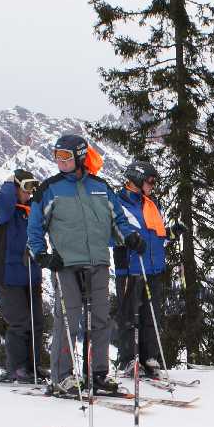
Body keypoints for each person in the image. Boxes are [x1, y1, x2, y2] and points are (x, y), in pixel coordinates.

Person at [27, 134, 143, 397]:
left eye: (65, 156)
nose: (60, 161)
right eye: (57, 156)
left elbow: (118, 222)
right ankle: (62, 376)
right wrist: (42, 255)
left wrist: (130, 237)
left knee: (100, 319)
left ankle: (97, 374)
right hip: (65, 264)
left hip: (98, 262)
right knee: (68, 319)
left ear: (80, 157)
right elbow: (34, 227)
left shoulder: (100, 187)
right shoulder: (50, 189)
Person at [112, 160, 186, 379]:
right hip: (131, 268)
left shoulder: (151, 204)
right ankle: (128, 359)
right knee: (129, 315)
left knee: (151, 315)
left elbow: (157, 236)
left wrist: (171, 232)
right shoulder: (118, 203)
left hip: (153, 267)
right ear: (136, 179)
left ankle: (149, 358)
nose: (153, 185)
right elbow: (110, 234)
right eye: (149, 180)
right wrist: (130, 240)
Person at [0, 168, 45, 383]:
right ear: (14, 188)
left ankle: (33, 366)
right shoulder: (1, 205)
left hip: (31, 274)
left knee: (36, 323)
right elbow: (1, 211)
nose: (29, 192)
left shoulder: (30, 209)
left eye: (32, 188)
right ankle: (16, 368)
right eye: (25, 187)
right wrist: (8, 187)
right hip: (8, 275)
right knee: (20, 323)